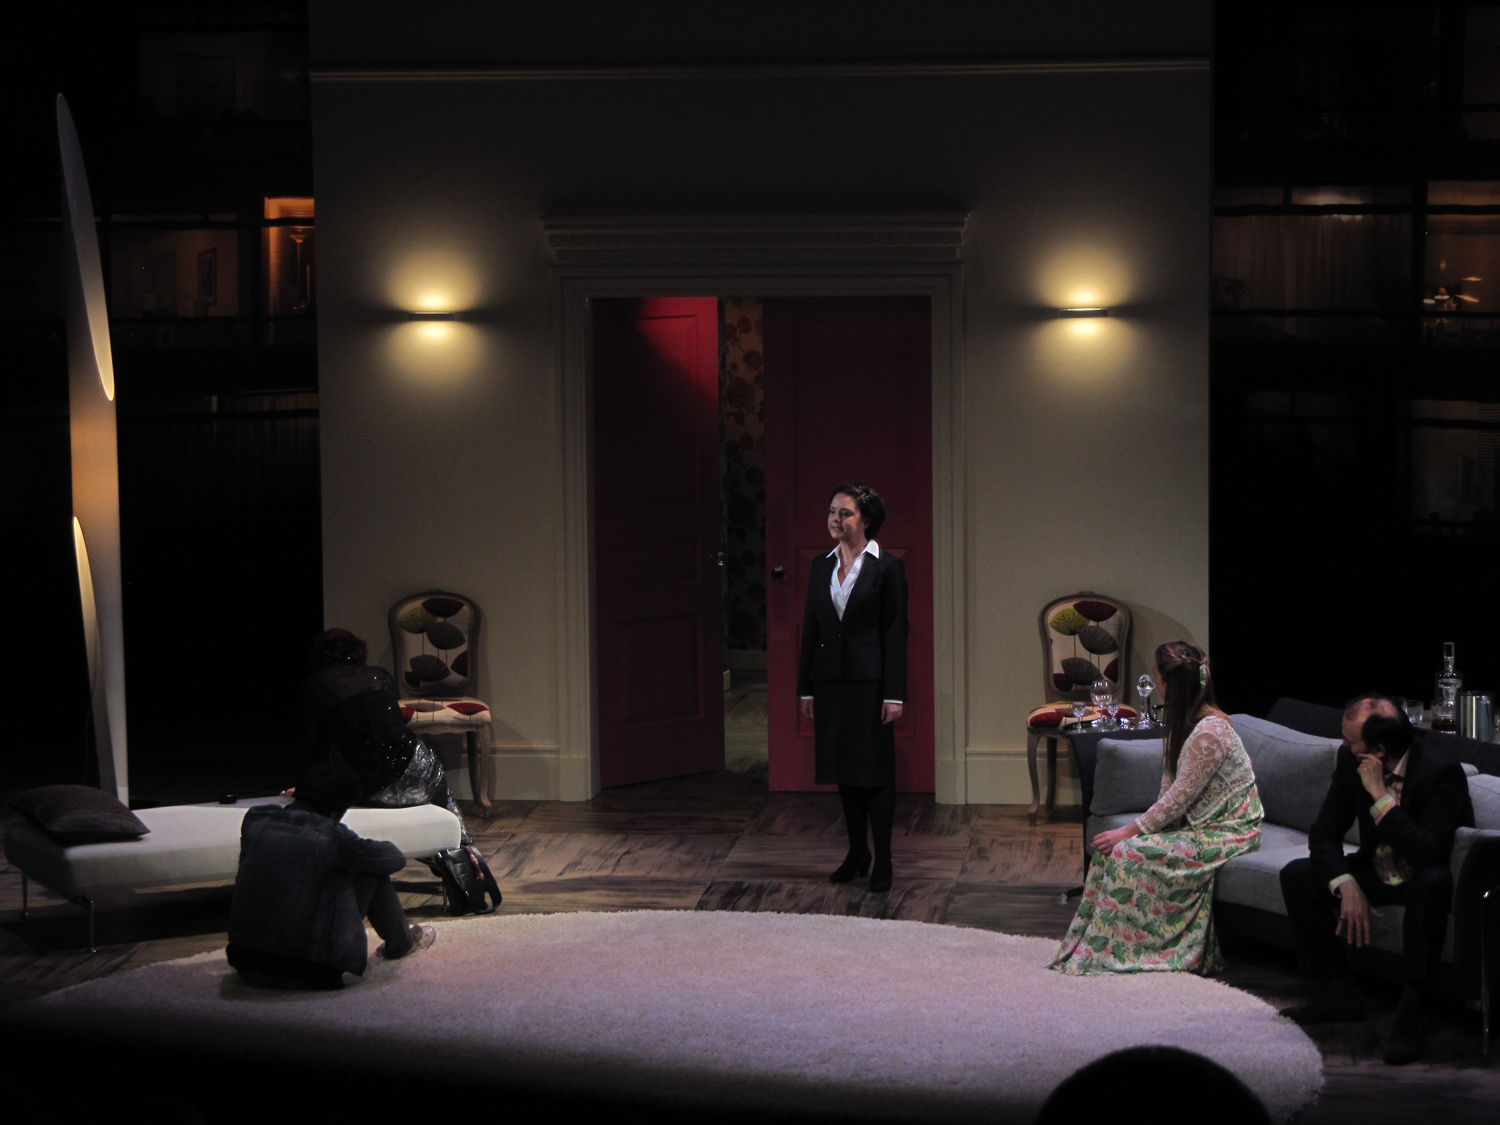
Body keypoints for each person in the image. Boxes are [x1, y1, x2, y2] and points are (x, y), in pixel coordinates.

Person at [1279, 695, 1473, 1064]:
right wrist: (1345, 883)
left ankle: (1413, 1009)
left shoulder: (1441, 772)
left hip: (1422, 876)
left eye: (1350, 741)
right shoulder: (1349, 760)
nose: (1343, 745)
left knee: (1433, 883)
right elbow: (1324, 833)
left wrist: (1381, 797)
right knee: (1299, 876)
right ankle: (1339, 991)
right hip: (1378, 868)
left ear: (1378, 751)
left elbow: (1426, 852)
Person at [1051, 640, 1263, 974]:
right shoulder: (1185, 723)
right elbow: (1169, 786)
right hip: (1200, 825)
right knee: (1109, 850)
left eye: (1156, 676)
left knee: (1126, 851)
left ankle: (1131, 951)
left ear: (1168, 684)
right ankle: (1095, 944)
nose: (1155, 682)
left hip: (1229, 830)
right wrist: (1143, 831)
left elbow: (1179, 797)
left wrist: (1130, 831)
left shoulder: (1210, 732)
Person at [227, 760, 436, 989]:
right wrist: (353, 849)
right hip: (310, 969)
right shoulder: (332, 836)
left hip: (246, 963)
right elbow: (394, 859)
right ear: (337, 813)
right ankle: (402, 944)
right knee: (371, 871)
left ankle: (401, 942)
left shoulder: (255, 819)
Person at [797, 482, 908, 893]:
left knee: (874, 772)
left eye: (844, 513)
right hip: (830, 682)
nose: (834, 519)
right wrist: (806, 688)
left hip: (871, 685)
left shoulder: (887, 568)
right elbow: (811, 628)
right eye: (832, 511)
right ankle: (857, 852)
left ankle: (884, 859)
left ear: (866, 520)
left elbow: (896, 633)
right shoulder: (819, 566)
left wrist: (894, 693)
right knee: (844, 769)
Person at [302, 628, 475, 843]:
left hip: (370, 787)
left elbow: (314, 746)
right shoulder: (380, 675)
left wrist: (304, 789)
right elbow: (391, 729)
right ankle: (464, 853)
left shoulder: (316, 684)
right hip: (422, 774)